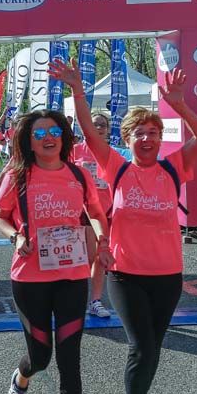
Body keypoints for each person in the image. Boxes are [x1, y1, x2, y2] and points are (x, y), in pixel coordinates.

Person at [55, 59, 197, 394]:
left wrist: (180, 103)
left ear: (161, 139)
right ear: (128, 138)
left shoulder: (174, 169)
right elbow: (89, 133)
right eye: (139, 133)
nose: (147, 139)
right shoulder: (118, 167)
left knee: (153, 349)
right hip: (125, 275)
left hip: (168, 276)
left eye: (153, 133)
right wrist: (76, 89)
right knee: (141, 347)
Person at [0, 109, 111, 394]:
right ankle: (20, 380)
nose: (48, 137)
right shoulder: (18, 174)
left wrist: (102, 239)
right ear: (28, 139)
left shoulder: (78, 173)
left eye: (54, 130)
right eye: (39, 132)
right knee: (40, 356)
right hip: (30, 277)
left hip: (73, 274)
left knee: (70, 358)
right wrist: (17, 236)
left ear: (64, 136)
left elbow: (94, 210)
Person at [70, 112, 115, 318]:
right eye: (94, 124)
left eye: (102, 125)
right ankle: (75, 298)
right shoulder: (74, 151)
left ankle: (95, 300)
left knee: (98, 256)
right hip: (81, 209)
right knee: (86, 256)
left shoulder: (112, 153)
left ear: (107, 129)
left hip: (106, 210)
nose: (98, 128)